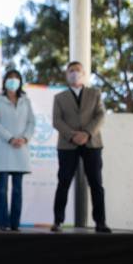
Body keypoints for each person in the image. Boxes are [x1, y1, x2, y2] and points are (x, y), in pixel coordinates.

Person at [51, 61, 111, 233]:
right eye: (71, 71)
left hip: (91, 143)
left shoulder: (95, 93)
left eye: (77, 71)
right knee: (64, 182)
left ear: (84, 74)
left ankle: (100, 222)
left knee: (96, 183)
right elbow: (57, 120)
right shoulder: (59, 98)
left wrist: (86, 133)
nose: (74, 73)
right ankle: (58, 221)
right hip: (67, 145)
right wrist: (72, 135)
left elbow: (101, 115)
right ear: (66, 74)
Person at [0, 69, 35, 231]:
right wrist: (10, 138)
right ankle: (3, 223)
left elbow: (31, 122)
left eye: (16, 78)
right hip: (4, 147)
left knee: (18, 189)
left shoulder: (26, 101)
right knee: (2, 189)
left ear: (20, 82)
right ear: (5, 81)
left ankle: (15, 224)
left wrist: (24, 138)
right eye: (10, 78)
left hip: (20, 148)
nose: (13, 81)